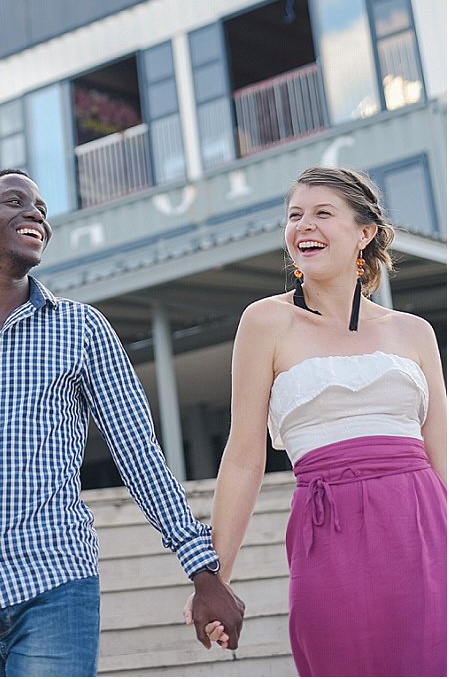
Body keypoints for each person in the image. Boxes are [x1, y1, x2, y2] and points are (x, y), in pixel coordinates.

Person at [0, 168, 244, 677]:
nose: (36, 214)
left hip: (54, 585)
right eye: (15, 202)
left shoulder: (82, 328)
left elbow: (139, 455)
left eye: (42, 208)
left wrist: (204, 572)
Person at [185, 165, 446, 677]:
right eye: (294, 216)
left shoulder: (414, 332)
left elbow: (442, 450)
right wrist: (214, 577)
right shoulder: (265, 322)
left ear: (364, 233)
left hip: (424, 527)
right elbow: (242, 457)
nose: (304, 225)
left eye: (323, 213)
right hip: (328, 532)